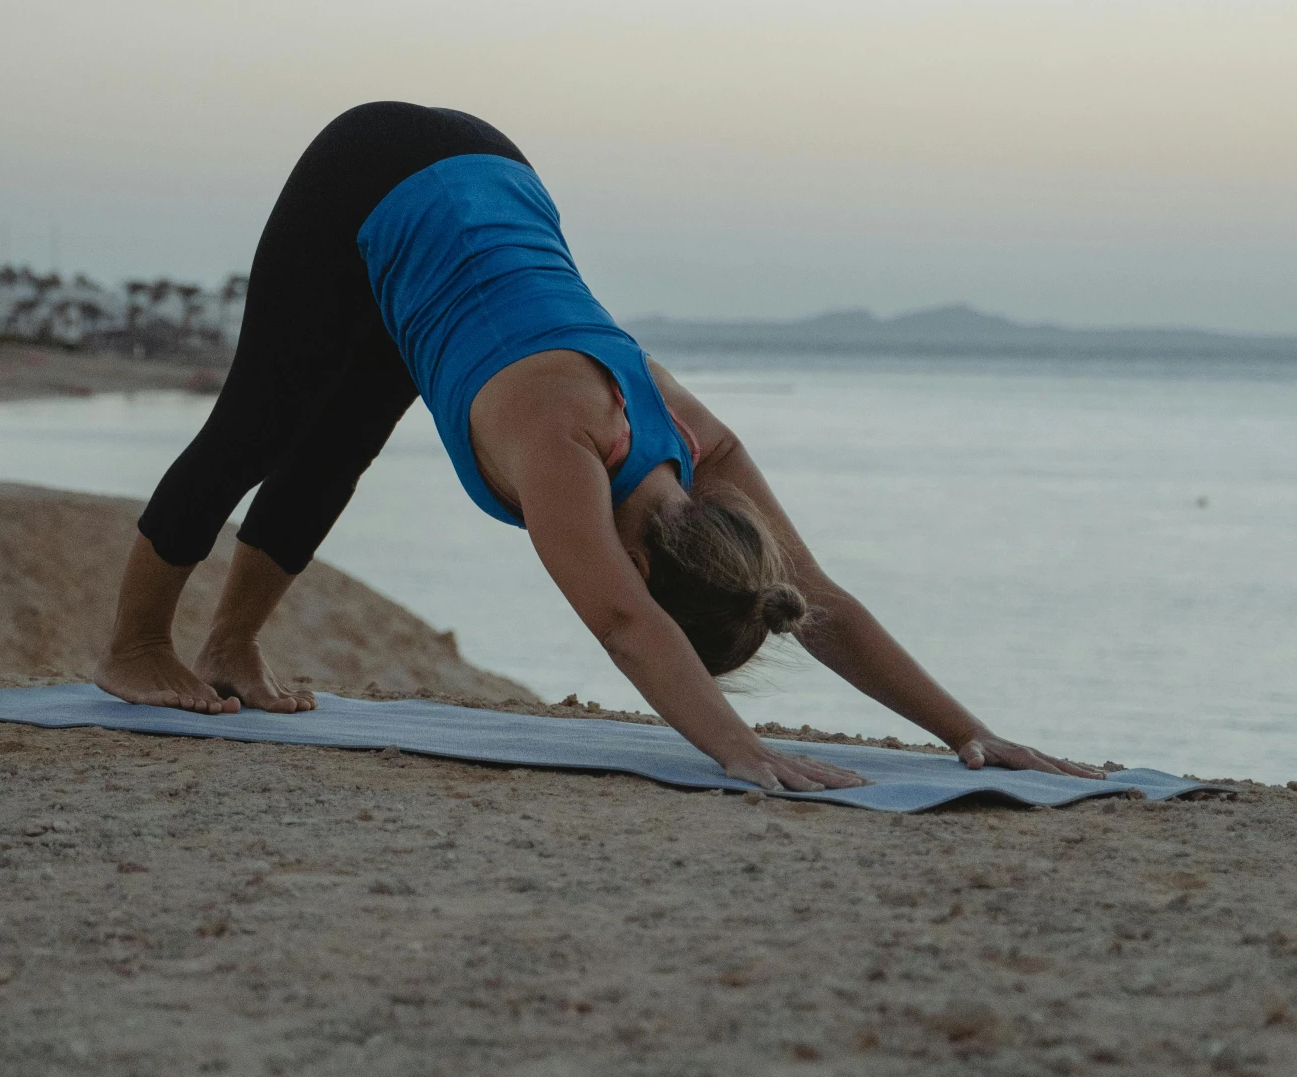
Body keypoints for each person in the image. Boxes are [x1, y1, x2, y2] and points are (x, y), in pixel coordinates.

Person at [97, 102, 1102, 795]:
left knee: (341, 443)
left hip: (491, 186)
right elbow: (625, 623)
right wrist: (739, 751)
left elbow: (819, 601)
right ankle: (134, 649)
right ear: (651, 561)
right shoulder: (561, 443)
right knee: (261, 423)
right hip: (371, 173)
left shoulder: (702, 448)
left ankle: (229, 647)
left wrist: (967, 730)